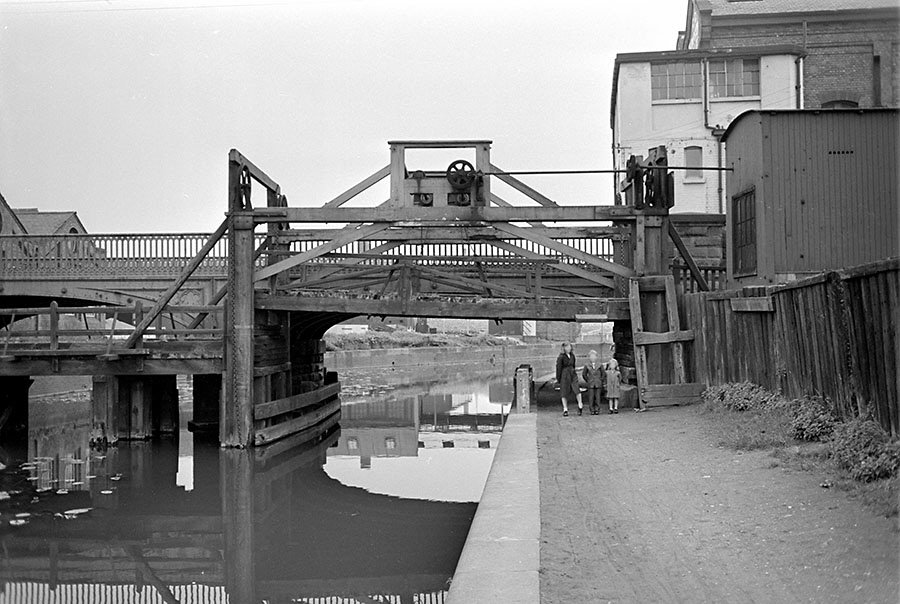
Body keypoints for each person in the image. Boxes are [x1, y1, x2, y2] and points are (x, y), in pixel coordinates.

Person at [555, 342, 583, 416]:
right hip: (564, 374)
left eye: (570, 347)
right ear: (564, 348)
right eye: (567, 347)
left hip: (572, 373)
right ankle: (565, 408)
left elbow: (573, 365)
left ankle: (580, 404)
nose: (569, 348)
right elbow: (559, 368)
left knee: (576, 388)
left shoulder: (572, 356)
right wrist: (558, 378)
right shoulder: (561, 357)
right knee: (564, 391)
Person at [581, 349, 606, 415]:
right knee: (591, 397)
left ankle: (597, 409)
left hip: (598, 383)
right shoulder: (587, 365)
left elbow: (603, 373)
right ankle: (591, 409)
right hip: (591, 383)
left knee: (598, 397)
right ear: (589, 357)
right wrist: (588, 380)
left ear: (596, 357)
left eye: (594, 356)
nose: (593, 358)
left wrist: (601, 380)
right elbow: (584, 374)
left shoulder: (600, 365)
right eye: (591, 356)